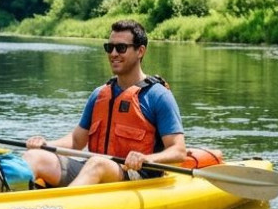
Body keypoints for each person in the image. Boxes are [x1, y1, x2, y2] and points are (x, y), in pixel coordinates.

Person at [22, 19, 186, 187]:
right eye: (109, 47)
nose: (113, 53)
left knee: (97, 163)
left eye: (121, 48)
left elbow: (179, 151)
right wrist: (45, 145)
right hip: (96, 170)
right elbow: (77, 140)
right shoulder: (99, 94)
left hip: (136, 177)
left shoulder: (158, 96)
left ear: (140, 51)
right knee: (35, 156)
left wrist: (146, 158)